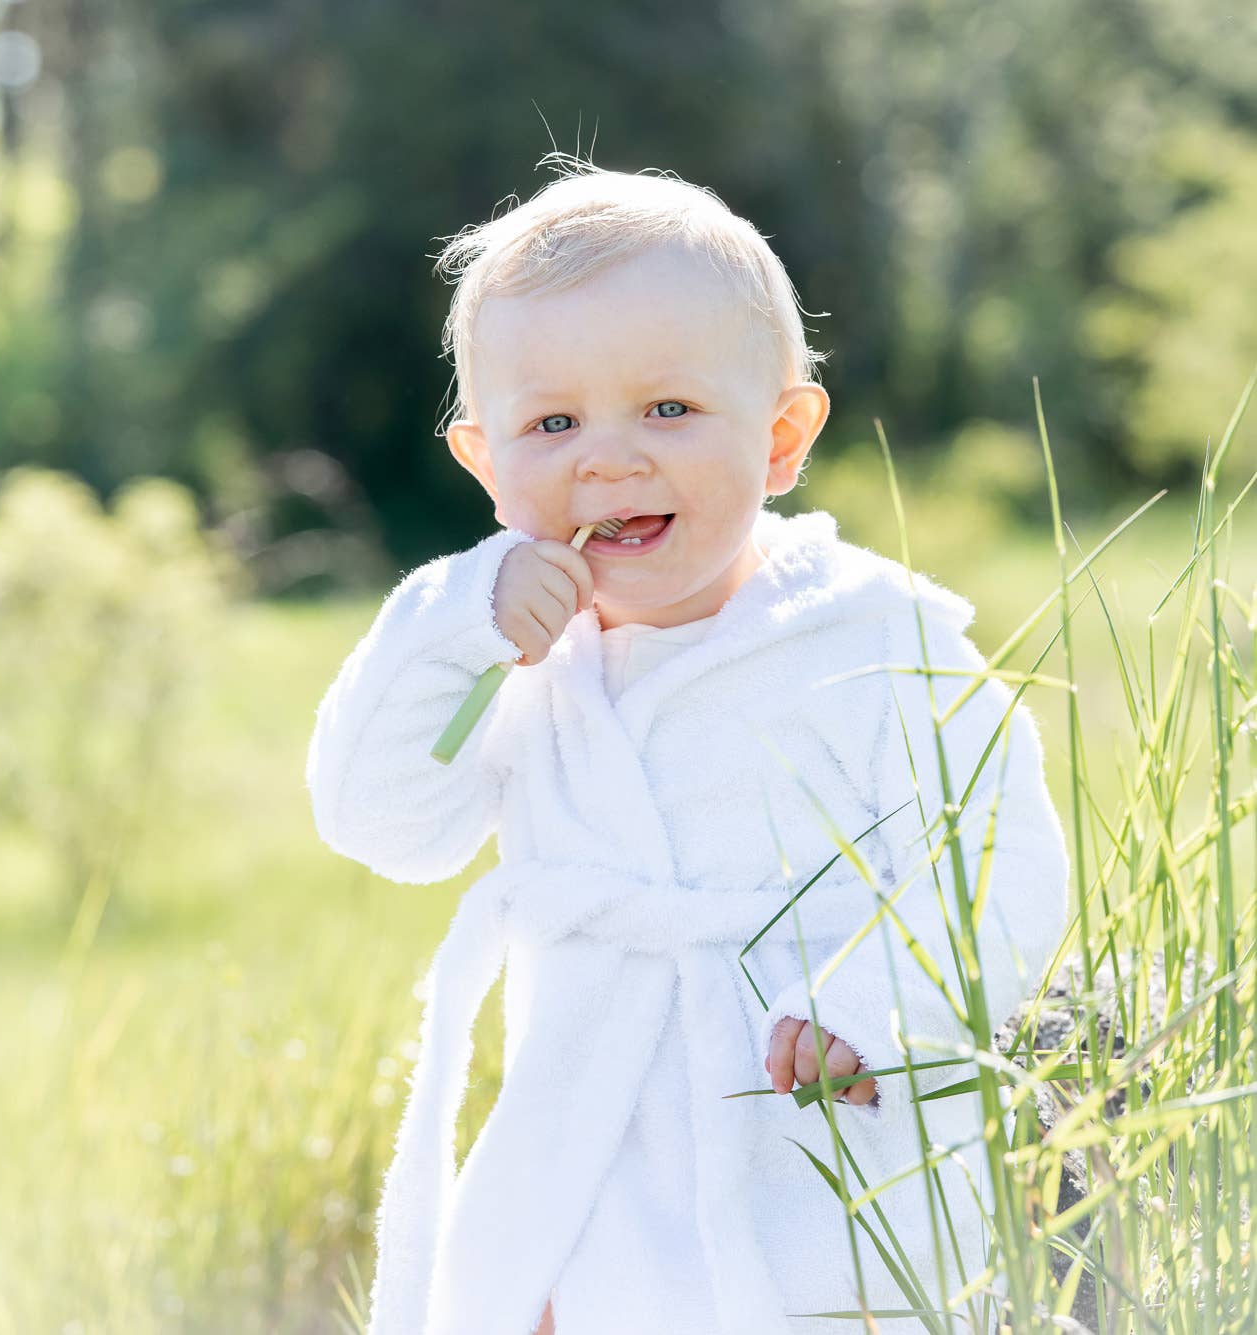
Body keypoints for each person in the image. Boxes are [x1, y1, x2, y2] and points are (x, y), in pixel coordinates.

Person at [305, 156, 1070, 1335]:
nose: (609, 458)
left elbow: (999, 857)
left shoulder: (873, 637)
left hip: (817, 1157)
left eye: (668, 409)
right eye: (552, 422)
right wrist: (455, 627)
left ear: (779, 436)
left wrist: (869, 1004)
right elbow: (382, 822)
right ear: (486, 461)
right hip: (586, 1165)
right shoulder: (513, 659)